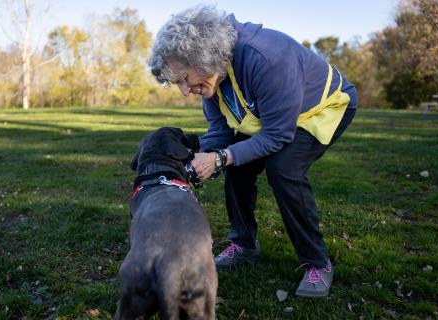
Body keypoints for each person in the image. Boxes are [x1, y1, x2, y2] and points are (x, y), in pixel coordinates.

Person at [149, 5, 357, 298]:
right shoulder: (212, 78)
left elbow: (276, 135)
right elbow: (221, 133)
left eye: (185, 79)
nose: (184, 91)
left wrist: (220, 157)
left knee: (283, 168)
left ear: (203, 57)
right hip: (272, 118)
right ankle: (244, 243)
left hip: (323, 107)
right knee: (236, 164)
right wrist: (199, 158)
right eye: (178, 83)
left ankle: (317, 262)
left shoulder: (267, 58)